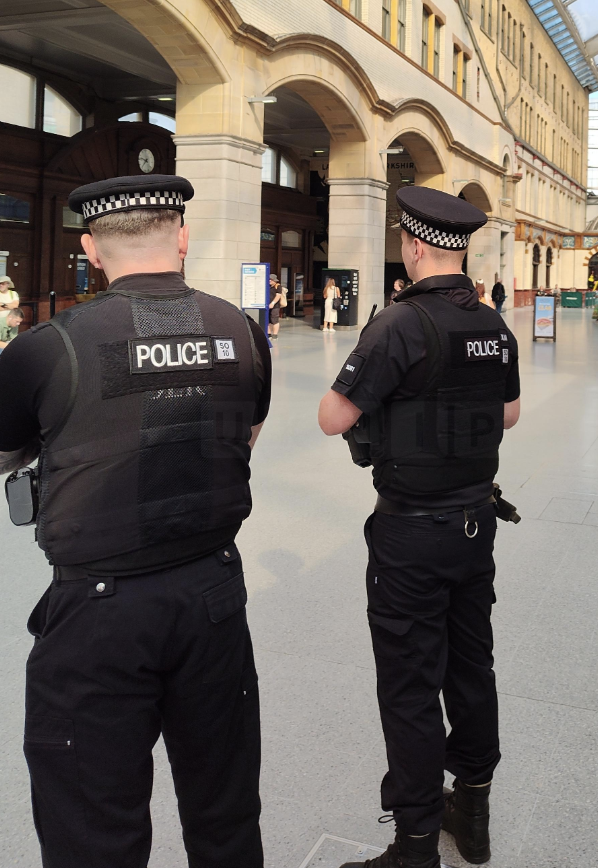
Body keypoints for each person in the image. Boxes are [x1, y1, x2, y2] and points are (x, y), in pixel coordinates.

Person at [0, 174, 271, 868]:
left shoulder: (43, 348)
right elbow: (245, 436)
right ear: (181, 238)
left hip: (99, 613)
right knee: (226, 812)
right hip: (213, 598)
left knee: (94, 829)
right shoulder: (241, 331)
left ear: (91, 249)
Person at [318, 185, 521, 868]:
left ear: (411, 245)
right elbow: (511, 415)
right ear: (459, 250)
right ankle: (474, 811)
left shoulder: (399, 324)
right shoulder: (493, 324)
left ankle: (413, 845)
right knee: (472, 667)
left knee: (409, 684)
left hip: (410, 534)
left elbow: (333, 416)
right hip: (476, 526)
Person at [268, 272, 283, 339]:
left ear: (274, 280)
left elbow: (278, 296)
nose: (269, 281)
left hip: (275, 306)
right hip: (267, 305)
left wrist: (273, 303)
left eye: (271, 280)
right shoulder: (267, 286)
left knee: (274, 319)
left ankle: (275, 335)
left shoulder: (278, 286)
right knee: (268, 320)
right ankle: (268, 334)